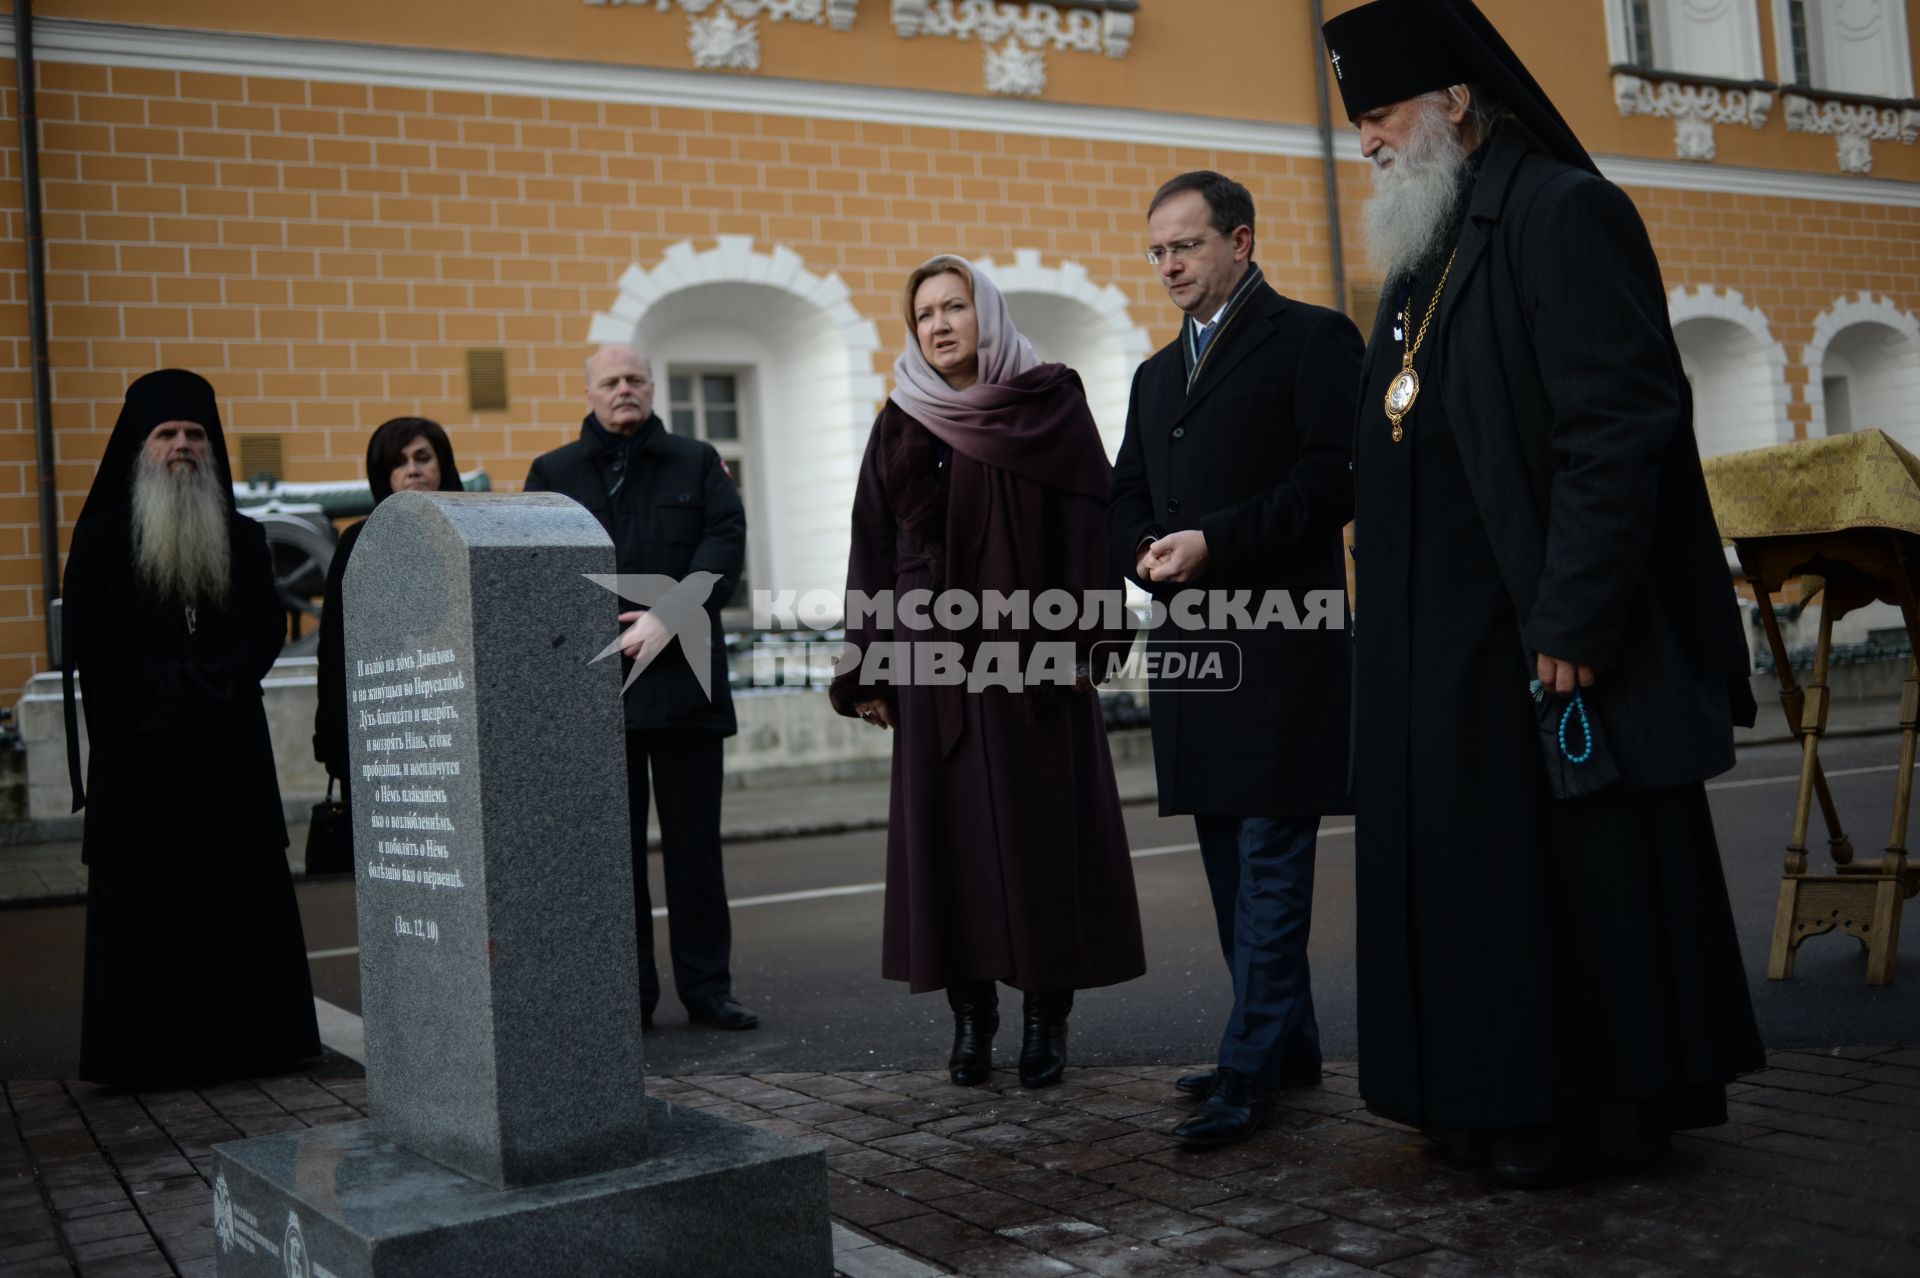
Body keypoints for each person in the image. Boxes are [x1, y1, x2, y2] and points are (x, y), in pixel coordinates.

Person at [1321, 0, 1764, 1185]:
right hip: (1430, 646)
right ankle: (1469, 1100)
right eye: (1356, 120)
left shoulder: (1564, 213)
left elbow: (1616, 429)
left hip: (1533, 631)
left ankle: (1573, 1113)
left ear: (1456, 101)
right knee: (1467, 887)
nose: (1363, 142)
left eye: (1378, 114)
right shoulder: (1428, 242)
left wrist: (1574, 615)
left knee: (1555, 890)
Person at [832, 255, 1145, 1088]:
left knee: (1042, 841)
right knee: (950, 848)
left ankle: (1047, 1016)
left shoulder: (1049, 402)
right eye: (924, 313)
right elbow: (871, 544)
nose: (937, 325)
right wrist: (869, 667)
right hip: (931, 670)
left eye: (954, 307)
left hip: (1030, 665)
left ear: (987, 315)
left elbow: (1088, 526)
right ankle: (972, 1020)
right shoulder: (899, 419)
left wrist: (1087, 644)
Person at [1109, 174, 1362, 1146]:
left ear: (1241, 242)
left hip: (1282, 644)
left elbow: (1331, 479)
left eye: (1186, 246)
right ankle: (1284, 1043)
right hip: (1193, 654)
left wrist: (1214, 540)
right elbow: (1124, 495)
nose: (1168, 265)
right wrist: (1137, 553)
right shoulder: (1152, 374)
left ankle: (1251, 1067)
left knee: (1268, 861)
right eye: (1156, 252)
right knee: (1225, 861)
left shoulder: (1312, 338)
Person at [63, 369, 321, 1087]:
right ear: (139, 447)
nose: (183, 445)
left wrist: (221, 680)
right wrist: (163, 685)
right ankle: (142, 1055)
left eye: (196, 435)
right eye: (168, 434)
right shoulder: (101, 537)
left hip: (225, 742)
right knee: (146, 900)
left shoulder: (243, 536)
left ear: (212, 449)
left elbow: (269, 625)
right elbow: (88, 637)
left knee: (236, 892)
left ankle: (255, 1042)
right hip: (139, 745)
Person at [526, 343, 756, 1032]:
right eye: (610, 381)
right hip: (597, 695)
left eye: (634, 379)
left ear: (652, 387)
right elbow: (538, 572)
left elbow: (726, 542)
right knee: (612, 861)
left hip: (685, 685)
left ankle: (708, 990)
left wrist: (672, 612)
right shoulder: (553, 473)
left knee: (695, 855)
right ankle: (629, 994)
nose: (623, 389)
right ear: (589, 392)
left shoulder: (695, 461)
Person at [313, 417, 464, 835]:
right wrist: (336, 743)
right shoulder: (359, 542)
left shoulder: (473, 530)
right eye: (398, 463)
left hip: (455, 728)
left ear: (443, 465)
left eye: (422, 458)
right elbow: (335, 647)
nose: (412, 470)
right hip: (385, 736)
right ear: (384, 475)